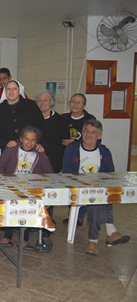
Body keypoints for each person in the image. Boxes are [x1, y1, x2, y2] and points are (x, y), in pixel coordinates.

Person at [62, 120, 130, 256]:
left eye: (93, 132)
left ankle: (97, 238)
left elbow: (110, 174)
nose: (89, 135)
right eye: (86, 131)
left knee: (99, 195)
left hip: (96, 189)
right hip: (77, 188)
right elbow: (66, 172)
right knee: (95, 197)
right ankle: (104, 233)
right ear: (82, 133)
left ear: (99, 136)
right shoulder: (73, 149)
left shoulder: (104, 152)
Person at [0, 126, 53, 246]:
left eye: (33, 140)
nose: (29, 142)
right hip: (11, 185)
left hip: (30, 187)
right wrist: (2, 180)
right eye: (27, 139)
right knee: (9, 207)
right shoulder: (11, 149)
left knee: (28, 209)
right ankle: (8, 234)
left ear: (37, 141)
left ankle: (24, 237)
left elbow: (49, 172)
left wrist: (40, 182)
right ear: (21, 139)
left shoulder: (40, 153)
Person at [61, 93, 96, 226]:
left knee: (83, 186)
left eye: (79, 102)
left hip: (84, 157)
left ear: (84, 105)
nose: (75, 105)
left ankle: (80, 216)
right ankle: (72, 214)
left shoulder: (89, 119)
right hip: (67, 156)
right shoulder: (63, 118)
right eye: (73, 101)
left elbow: (93, 136)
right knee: (71, 186)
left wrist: (75, 142)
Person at [0, 79, 45, 152]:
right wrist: (5, 143)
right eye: (8, 89)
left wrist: (38, 142)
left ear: (19, 90)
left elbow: (41, 126)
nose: (11, 91)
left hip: (31, 148)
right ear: (5, 91)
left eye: (14, 89)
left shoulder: (31, 106)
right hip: (9, 151)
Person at [35, 90, 69, 173]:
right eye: (40, 100)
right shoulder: (32, 119)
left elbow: (65, 142)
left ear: (51, 102)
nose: (42, 103)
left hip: (54, 162)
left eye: (45, 100)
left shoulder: (60, 120)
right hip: (35, 162)